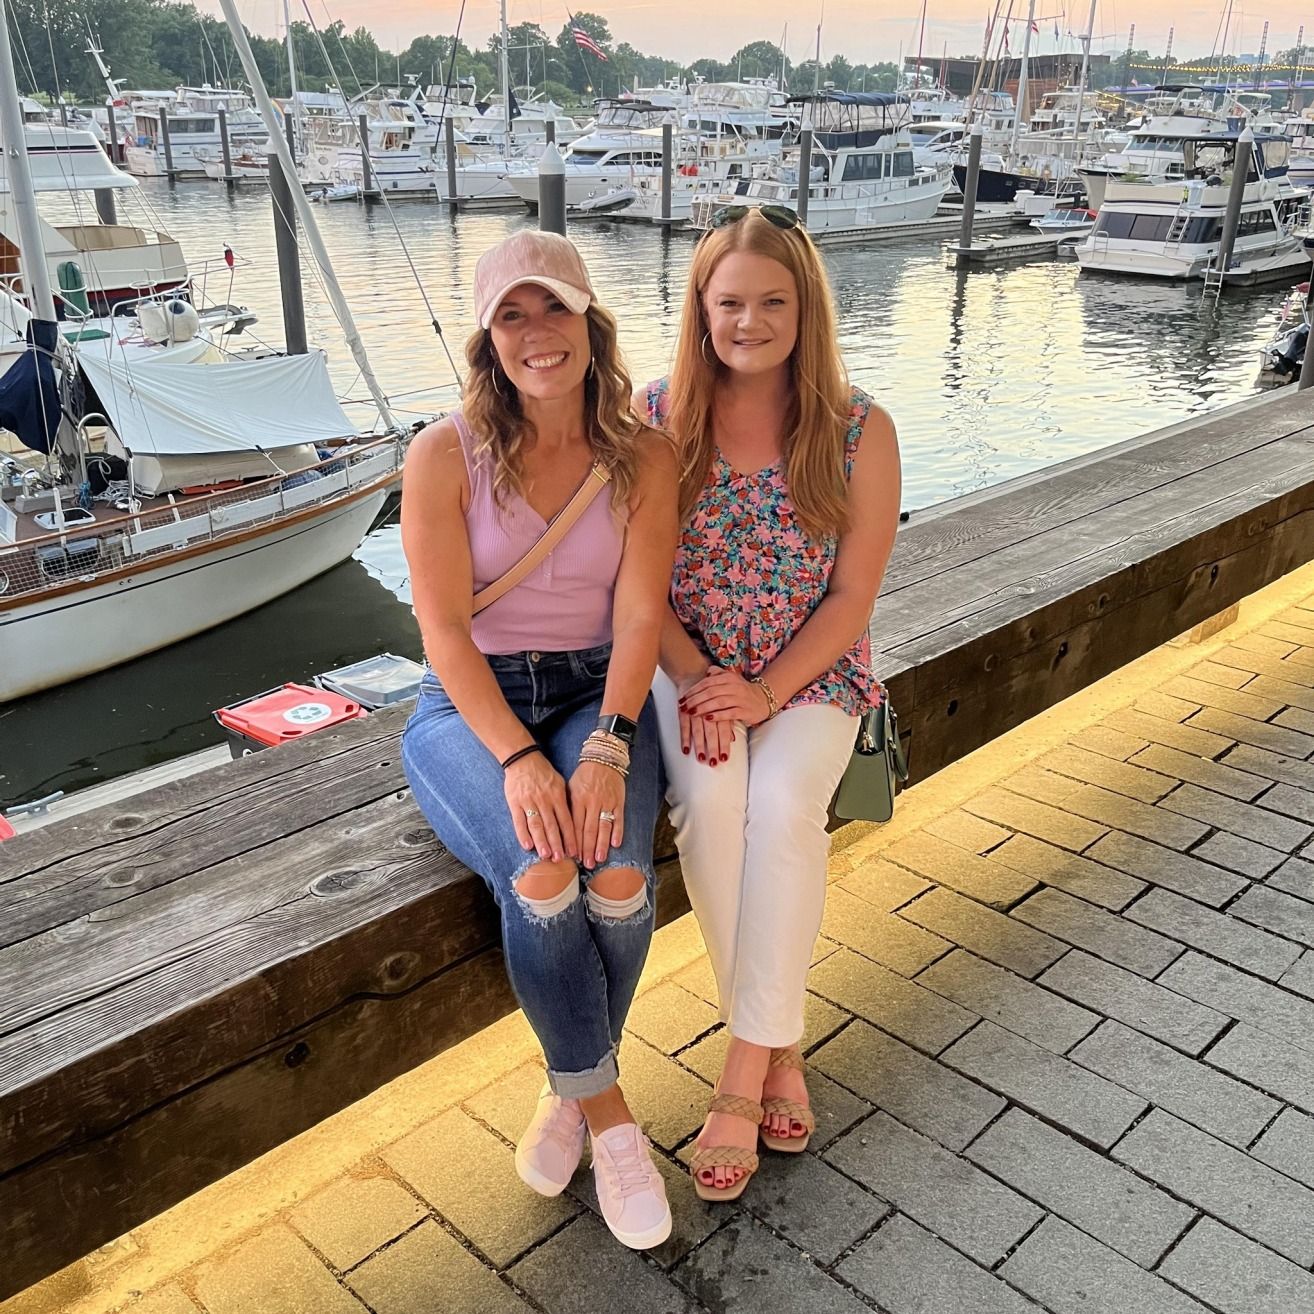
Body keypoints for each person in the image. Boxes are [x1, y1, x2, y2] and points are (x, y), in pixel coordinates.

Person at [402, 230, 678, 1248]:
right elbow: (442, 631)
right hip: (472, 703)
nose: (536, 333)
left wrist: (607, 742)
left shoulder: (644, 454)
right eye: (511, 316)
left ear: (590, 320)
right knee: (543, 872)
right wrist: (519, 760)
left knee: (618, 877)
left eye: (554, 306)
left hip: (596, 693)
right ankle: (612, 1121)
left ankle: (568, 1086)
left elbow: (641, 615)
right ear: (488, 340)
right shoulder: (443, 455)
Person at [639, 205, 902, 1202]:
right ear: (701, 307)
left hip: (807, 672)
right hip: (688, 665)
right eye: (730, 302)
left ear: (806, 309)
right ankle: (777, 1043)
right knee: (711, 804)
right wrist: (699, 678)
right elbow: (638, 583)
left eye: (773, 302)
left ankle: (741, 1074)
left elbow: (853, 599)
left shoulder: (858, 428)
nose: (749, 321)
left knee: (784, 806)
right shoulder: (658, 416)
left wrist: (763, 690)